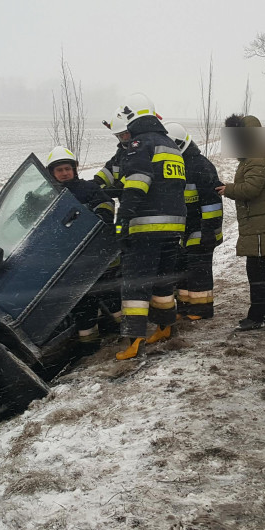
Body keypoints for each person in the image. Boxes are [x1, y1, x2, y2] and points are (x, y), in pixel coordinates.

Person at [113, 93, 187, 360]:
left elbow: (137, 183)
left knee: (135, 284)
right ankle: (166, 327)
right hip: (173, 227)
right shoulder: (170, 144)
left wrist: (124, 218)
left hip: (145, 227)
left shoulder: (139, 143)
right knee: (162, 281)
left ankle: (134, 342)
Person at [46, 146, 117, 345]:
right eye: (59, 170)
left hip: (95, 254)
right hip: (69, 260)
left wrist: (100, 218)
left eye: (67, 168)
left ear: (74, 169)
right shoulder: (48, 196)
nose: (64, 173)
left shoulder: (88, 188)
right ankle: (89, 344)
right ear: (52, 173)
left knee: (110, 293)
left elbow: (107, 204)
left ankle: (123, 331)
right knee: (82, 302)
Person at [164, 122, 223, 320]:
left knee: (199, 269)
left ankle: (202, 309)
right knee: (182, 266)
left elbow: (212, 202)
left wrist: (209, 230)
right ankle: (185, 307)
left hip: (203, 227)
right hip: (186, 228)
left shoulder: (200, 166)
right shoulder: (179, 165)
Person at [216, 114, 265, 331]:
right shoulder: (254, 156)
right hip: (257, 224)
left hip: (259, 225)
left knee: (256, 271)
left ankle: (257, 316)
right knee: (258, 270)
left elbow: (251, 189)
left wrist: (228, 189)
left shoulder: (257, 157)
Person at [95, 109, 131, 199]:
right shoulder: (121, 153)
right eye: (121, 135)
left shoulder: (142, 151)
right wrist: (96, 183)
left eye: (127, 133)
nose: (125, 138)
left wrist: (118, 188)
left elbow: (137, 173)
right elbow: (109, 170)